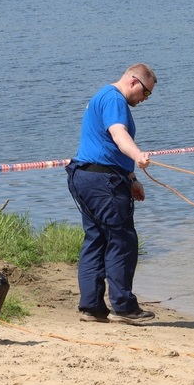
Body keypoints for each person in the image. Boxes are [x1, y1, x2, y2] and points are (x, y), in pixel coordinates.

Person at [65, 63, 157, 325]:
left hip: (86, 177)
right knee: (122, 240)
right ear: (133, 81)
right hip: (102, 182)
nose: (145, 99)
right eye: (146, 93)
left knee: (97, 239)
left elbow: (105, 146)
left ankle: (92, 307)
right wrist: (137, 155)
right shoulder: (115, 99)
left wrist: (131, 178)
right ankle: (124, 307)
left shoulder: (104, 96)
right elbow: (118, 134)